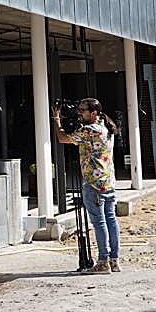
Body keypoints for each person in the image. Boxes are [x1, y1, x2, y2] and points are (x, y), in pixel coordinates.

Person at [52, 98, 121, 274]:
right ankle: (114, 260)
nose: (79, 113)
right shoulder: (106, 127)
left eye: (83, 110)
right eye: (79, 110)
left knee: (99, 222)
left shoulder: (89, 130)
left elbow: (62, 138)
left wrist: (57, 118)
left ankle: (103, 261)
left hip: (93, 183)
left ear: (94, 113)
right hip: (108, 181)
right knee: (111, 220)